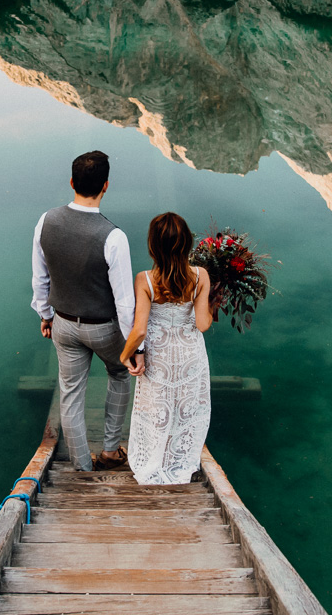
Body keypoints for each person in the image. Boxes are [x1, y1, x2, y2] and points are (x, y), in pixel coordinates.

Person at [32, 151, 142, 471]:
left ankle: (82, 465)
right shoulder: (113, 236)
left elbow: (40, 277)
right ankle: (110, 450)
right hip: (104, 328)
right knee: (119, 372)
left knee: (70, 394)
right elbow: (124, 302)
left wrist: (45, 315)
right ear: (105, 186)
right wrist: (135, 344)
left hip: (63, 324)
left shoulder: (46, 221)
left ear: (71, 182)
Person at [120, 212, 213, 485]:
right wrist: (211, 302)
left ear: (153, 246)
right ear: (187, 243)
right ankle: (179, 460)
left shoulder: (145, 280)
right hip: (189, 355)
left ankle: (154, 459)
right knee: (186, 407)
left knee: (156, 408)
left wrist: (125, 356)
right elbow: (203, 324)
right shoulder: (200, 276)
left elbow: (139, 330)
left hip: (159, 355)